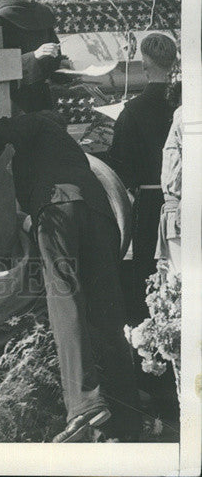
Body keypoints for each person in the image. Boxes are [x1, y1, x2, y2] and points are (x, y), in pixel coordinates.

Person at [0, 112, 140, 442]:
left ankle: (84, 403)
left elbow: (3, 129)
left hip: (59, 209)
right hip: (100, 216)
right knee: (107, 313)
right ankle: (129, 416)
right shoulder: (67, 147)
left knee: (65, 300)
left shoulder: (36, 122)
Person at [104, 32, 178, 323]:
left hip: (150, 202)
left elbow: (122, 166)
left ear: (145, 65)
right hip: (187, 199)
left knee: (149, 270)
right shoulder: (187, 102)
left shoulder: (133, 110)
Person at [157, 104, 182, 275]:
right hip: (175, 208)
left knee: (179, 276)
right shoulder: (182, 113)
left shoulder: (185, 113)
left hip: (179, 206)